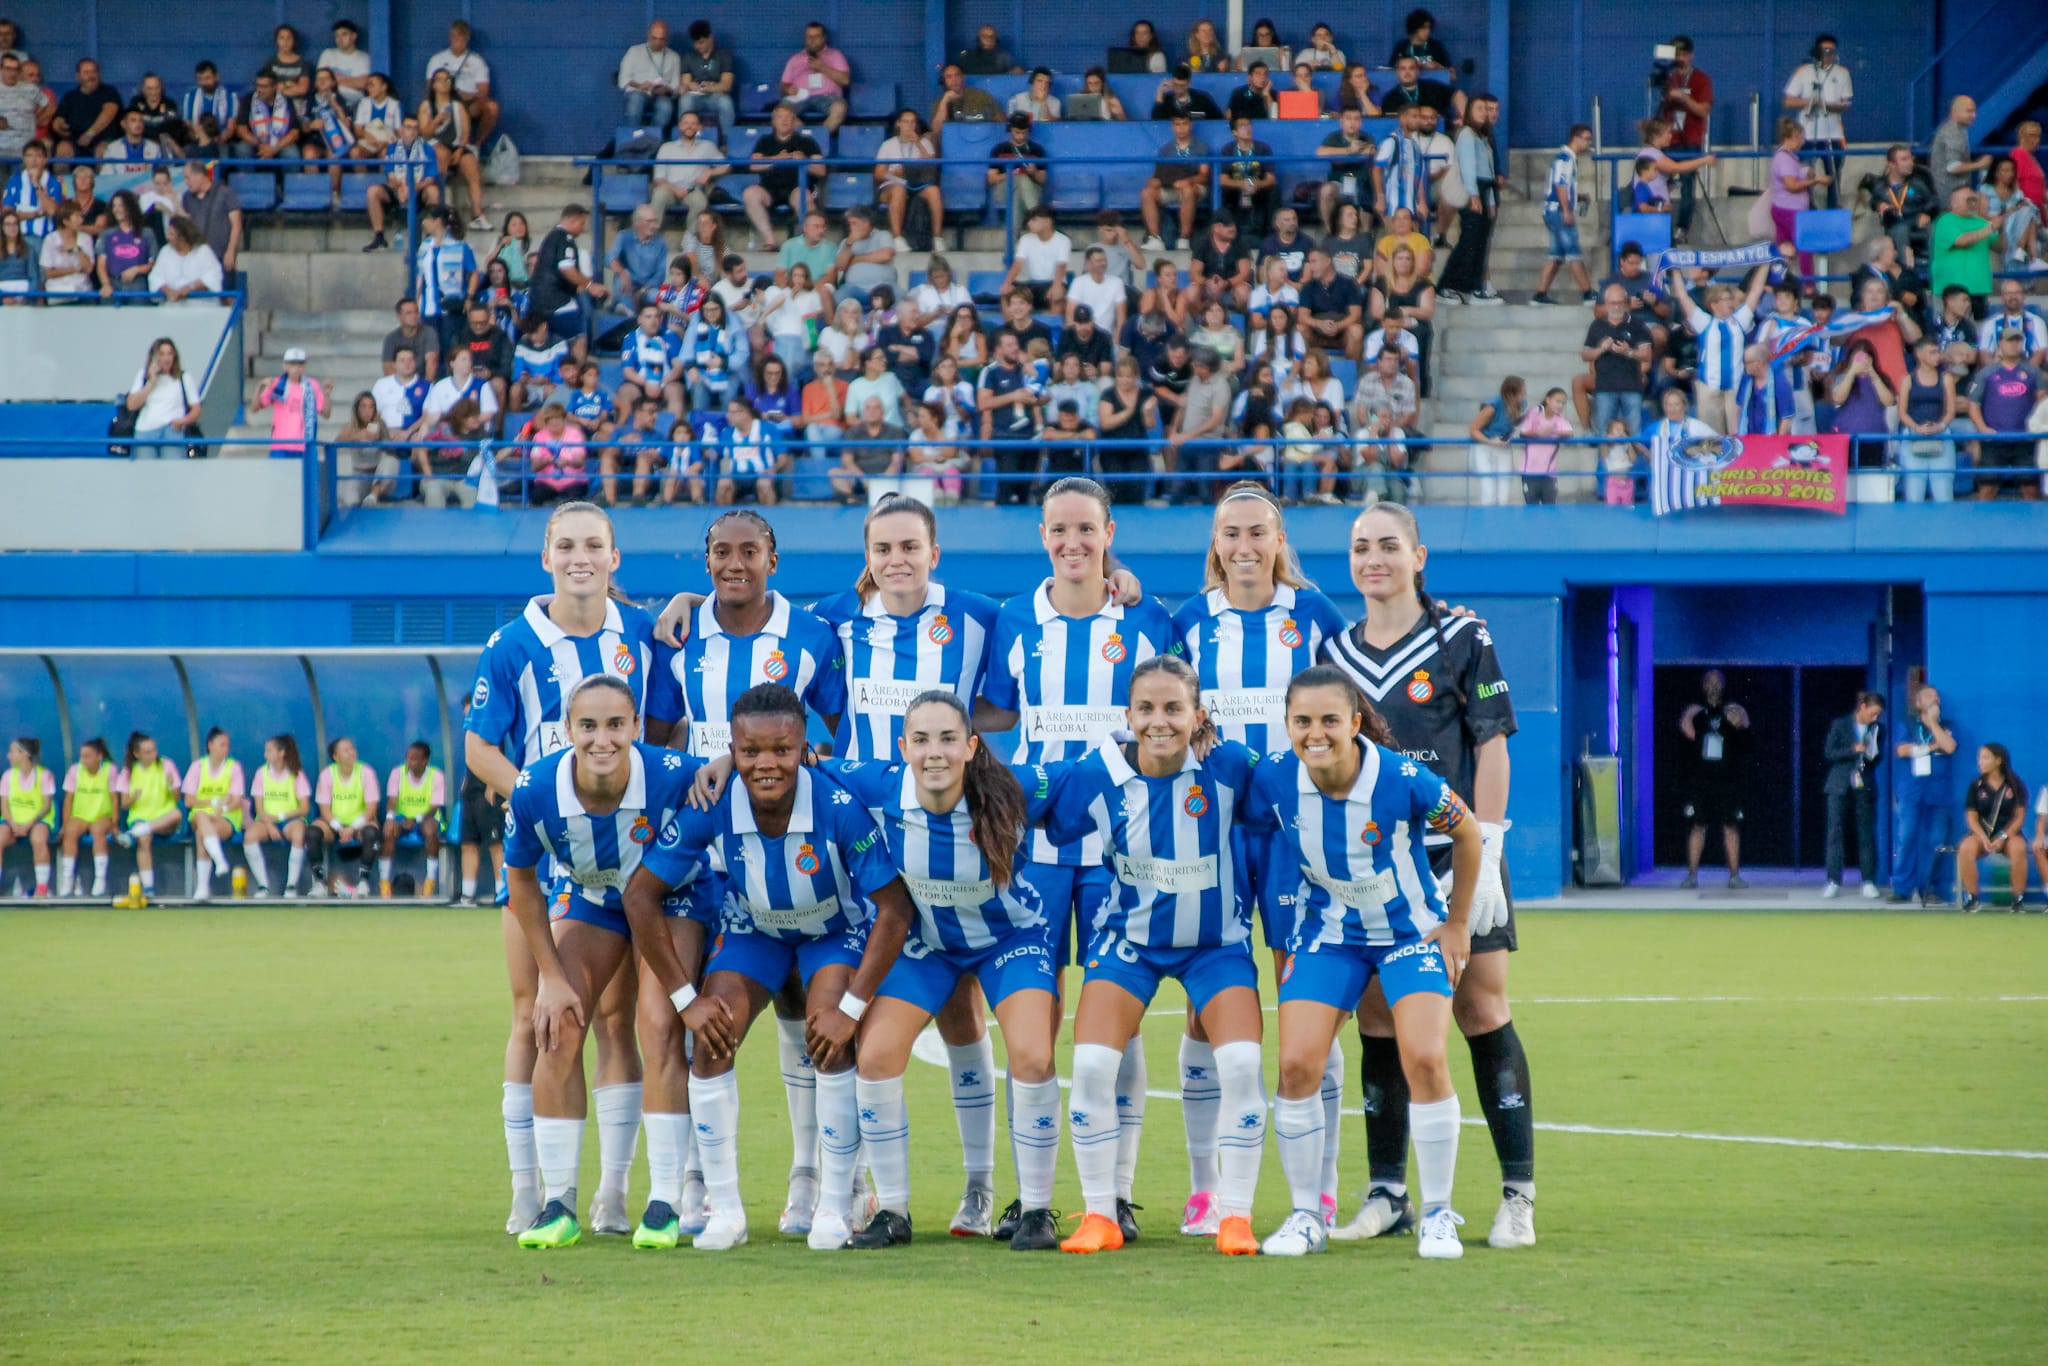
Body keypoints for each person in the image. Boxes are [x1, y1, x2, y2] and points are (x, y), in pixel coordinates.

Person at [624, 682, 916, 1251]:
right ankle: (725, 1211)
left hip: (831, 932)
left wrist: (853, 1008)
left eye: (781, 750)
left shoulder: (836, 805)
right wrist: (687, 999)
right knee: (711, 1037)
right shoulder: (712, 802)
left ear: (804, 744)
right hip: (754, 931)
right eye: (750, 751)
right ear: (731, 748)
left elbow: (895, 908)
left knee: (829, 1034)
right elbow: (640, 895)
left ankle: (835, 1204)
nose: (765, 764)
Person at [1321, 502, 1532, 1251]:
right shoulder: (1334, 652)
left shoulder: (1462, 637)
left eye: (1387, 545)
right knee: (1380, 1022)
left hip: (1457, 860)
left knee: (1481, 1010)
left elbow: (1494, 746)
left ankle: (1517, 1196)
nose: (1372, 558)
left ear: (1419, 555)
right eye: (1359, 547)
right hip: (1376, 873)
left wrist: (1493, 849)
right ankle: (1387, 1192)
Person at [975, 477, 1171, 1241]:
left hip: (1124, 850)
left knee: (1115, 1022)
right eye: (1059, 530)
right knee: (1037, 1023)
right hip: (1035, 850)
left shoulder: (1147, 617)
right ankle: (1032, 1200)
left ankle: (1114, 1192)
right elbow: (995, 709)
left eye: (1086, 529)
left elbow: (1184, 707)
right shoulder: (1016, 619)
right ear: (1042, 537)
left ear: (1109, 531)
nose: (1073, 543)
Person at [807, 692, 1065, 1248]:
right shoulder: (881, 786)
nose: (934, 753)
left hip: (1009, 939)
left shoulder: (1014, 788)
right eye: (920, 740)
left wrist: (1138, 747)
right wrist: (726, 760)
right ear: (902, 748)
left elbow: (1089, 775)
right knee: (875, 1056)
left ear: (972, 746)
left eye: (948, 739)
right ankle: (893, 1211)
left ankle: (1036, 1209)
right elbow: (808, 762)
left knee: (1034, 1054)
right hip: (929, 945)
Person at [464, 502, 659, 1238]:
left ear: (615, 557)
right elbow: (480, 747)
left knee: (619, 1021)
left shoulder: (640, 634)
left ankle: (612, 1192)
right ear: (547, 557)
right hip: (543, 861)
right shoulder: (513, 645)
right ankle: (530, 1189)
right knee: (536, 1014)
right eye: (567, 544)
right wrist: (539, 798)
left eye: (594, 545)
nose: (581, 557)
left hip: (628, 859)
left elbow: (663, 729)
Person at [1248, 664, 1481, 1258]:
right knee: (1297, 1065)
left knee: (1425, 1058)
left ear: (1355, 722)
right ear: (1287, 724)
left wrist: (1456, 925)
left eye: (1330, 720)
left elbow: (1469, 833)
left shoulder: (1402, 777)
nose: (1315, 733)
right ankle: (1305, 1216)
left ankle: (1437, 1213)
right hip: (1329, 934)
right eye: (1302, 721)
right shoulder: (1274, 777)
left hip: (1410, 934)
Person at [1167, 485, 1347, 1234]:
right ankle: (1205, 1184)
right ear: (1216, 542)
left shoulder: (1314, 616)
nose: (1244, 546)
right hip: (1209, 831)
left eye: (1258, 533)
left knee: (1306, 1002)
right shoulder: (1187, 622)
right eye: (1230, 534)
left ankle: (1326, 1181)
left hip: (1295, 834)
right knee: (1206, 1008)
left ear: (1279, 539)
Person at [500, 675, 722, 1250]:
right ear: (567, 730)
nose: (603, 739)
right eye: (589, 726)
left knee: (658, 1022)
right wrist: (550, 976)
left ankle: (665, 1201)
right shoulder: (534, 789)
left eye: (616, 725)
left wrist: (722, 761)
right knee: (558, 1024)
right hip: (595, 897)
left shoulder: (673, 775)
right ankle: (558, 1204)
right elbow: (521, 883)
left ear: (637, 728)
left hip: (673, 899)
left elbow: (742, 772)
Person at [1668, 264, 1771, 435]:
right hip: (1709, 386)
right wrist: (1675, 269)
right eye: (1725, 299)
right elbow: (1682, 296)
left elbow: (1755, 291)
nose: (1730, 303)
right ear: (1714, 304)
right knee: (1711, 437)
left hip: (1735, 387)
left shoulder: (1740, 320)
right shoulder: (1703, 322)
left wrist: (1765, 264)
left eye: (1730, 299)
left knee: (1737, 435)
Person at [1676, 669, 1752, 888]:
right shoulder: (1695, 713)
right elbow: (1687, 737)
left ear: (1724, 685)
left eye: (1717, 682)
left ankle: (1734, 876)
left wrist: (1737, 723)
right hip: (1702, 781)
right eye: (1709, 682)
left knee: (1731, 826)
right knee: (1698, 826)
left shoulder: (1734, 710)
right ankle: (1692, 876)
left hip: (1727, 780)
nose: (1713, 686)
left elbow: (1745, 740)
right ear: (1703, 686)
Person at [1439, 93, 1502, 304]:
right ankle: (1447, 285)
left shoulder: (1483, 137)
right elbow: (1468, 167)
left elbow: (1490, 170)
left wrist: (1491, 201)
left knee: (1480, 241)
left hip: (1485, 188)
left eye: (1486, 109)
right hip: (1474, 188)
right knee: (1469, 240)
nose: (1484, 113)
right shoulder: (1466, 134)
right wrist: (1474, 195)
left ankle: (1472, 287)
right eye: (1479, 109)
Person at [1822, 692, 1885, 899]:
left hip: (1863, 785)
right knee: (1835, 832)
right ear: (1862, 707)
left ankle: (1868, 880)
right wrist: (1853, 750)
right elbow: (1829, 753)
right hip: (1839, 785)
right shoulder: (1840, 724)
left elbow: (1877, 759)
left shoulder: (1877, 729)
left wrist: (1870, 754)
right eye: (1873, 713)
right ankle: (1833, 880)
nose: (1875, 718)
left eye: (1878, 715)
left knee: (1866, 833)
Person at [742, 103, 824, 251]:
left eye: (788, 118)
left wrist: (804, 162)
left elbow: (821, 170)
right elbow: (753, 165)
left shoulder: (807, 141)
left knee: (802, 196)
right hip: (770, 189)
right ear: (773, 121)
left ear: (794, 121)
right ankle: (770, 240)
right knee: (750, 193)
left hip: (797, 187)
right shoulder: (764, 140)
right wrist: (776, 159)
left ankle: (806, 243)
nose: (784, 121)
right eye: (780, 117)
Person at [110, 732, 182, 899]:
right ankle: (148, 887)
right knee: (144, 838)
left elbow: (177, 798)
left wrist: (172, 786)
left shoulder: (166, 765)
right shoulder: (129, 772)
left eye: (154, 750)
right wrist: (134, 796)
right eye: (148, 752)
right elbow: (125, 804)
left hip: (164, 819)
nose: (153, 754)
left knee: (177, 814)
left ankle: (133, 834)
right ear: (137, 754)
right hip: (140, 818)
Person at [1957, 744, 2028, 912]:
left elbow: (2019, 817)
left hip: (2008, 834)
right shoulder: (1976, 786)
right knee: (1966, 847)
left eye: (1985, 757)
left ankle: (2018, 899)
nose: (1980, 762)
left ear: (1998, 760)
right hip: (1982, 834)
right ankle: (1973, 898)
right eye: (1979, 758)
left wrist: (2003, 837)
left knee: (2019, 847)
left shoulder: (2015, 785)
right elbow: (1972, 818)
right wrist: (1982, 837)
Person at [1783, 35, 1850, 207]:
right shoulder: (1804, 71)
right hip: (1807, 134)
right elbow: (1789, 101)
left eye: (1831, 51)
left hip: (1833, 133)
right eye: (1824, 50)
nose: (1828, 54)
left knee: (1833, 177)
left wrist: (1828, 105)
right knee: (1805, 174)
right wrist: (1812, 102)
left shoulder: (1842, 73)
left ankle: (1833, 210)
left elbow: (1845, 103)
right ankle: (1807, 209)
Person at [1657, 37, 1713, 243]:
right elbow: (1662, 109)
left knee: (1688, 185)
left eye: (1682, 54)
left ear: (1690, 55)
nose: (1679, 59)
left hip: (1690, 139)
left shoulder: (1701, 79)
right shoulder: (1669, 78)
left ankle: (1681, 228)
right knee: (1662, 185)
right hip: (1669, 140)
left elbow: (1703, 109)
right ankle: (1661, 227)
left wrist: (1683, 97)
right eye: (1676, 54)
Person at [1531, 125, 1594, 306]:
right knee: (1573, 252)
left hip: (1554, 210)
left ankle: (1540, 294)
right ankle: (1587, 293)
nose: (1588, 143)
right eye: (1587, 139)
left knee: (1555, 254)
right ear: (1576, 138)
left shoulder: (1567, 159)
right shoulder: (1565, 159)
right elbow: (1560, 185)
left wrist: (1578, 197)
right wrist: (1566, 210)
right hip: (1558, 211)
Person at [309, 737, 379, 898]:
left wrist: (352, 828)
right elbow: (325, 809)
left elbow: (371, 808)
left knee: (371, 832)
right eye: (346, 750)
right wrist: (340, 828)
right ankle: (319, 882)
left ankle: (363, 882)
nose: (351, 752)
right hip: (335, 824)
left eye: (352, 749)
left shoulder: (366, 772)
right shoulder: (327, 774)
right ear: (335, 756)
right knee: (312, 832)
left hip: (358, 823)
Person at [244, 734, 312, 897]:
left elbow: (304, 808)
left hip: (290, 820)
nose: (265, 754)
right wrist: (269, 825)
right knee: (250, 836)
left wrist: (280, 817)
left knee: (298, 833)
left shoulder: (296, 774)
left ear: (281, 753)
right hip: (266, 821)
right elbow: (259, 809)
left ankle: (291, 885)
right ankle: (263, 886)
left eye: (269, 750)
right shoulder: (261, 773)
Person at [363, 115, 442, 253]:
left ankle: (431, 236)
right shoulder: (392, 148)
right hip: (398, 189)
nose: (411, 131)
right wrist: (401, 187)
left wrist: (413, 187)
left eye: (415, 128)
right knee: (373, 191)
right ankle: (379, 236)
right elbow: (391, 176)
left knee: (433, 191)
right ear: (401, 130)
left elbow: (430, 178)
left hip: (419, 190)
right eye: (408, 127)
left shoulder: (427, 149)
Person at [455, 696, 507, 906]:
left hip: (488, 794)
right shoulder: (469, 734)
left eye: (470, 710)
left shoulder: (490, 729)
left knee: (495, 843)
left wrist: (493, 785)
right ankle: (468, 895)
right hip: (470, 794)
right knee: (468, 843)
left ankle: (502, 893)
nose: (467, 715)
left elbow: (497, 757)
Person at [378, 741, 446, 898]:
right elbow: (392, 801)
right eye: (408, 758)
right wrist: (390, 818)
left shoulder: (437, 776)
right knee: (389, 830)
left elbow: (435, 806)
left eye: (414, 759)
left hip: (427, 818)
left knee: (431, 831)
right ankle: (384, 883)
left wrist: (416, 819)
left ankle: (429, 882)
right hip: (402, 819)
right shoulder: (397, 773)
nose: (409, 762)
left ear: (425, 761)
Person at [54, 737, 118, 899]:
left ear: (99, 756)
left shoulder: (110, 770)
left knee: (98, 831)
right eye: (82, 756)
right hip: (80, 816)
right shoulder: (75, 771)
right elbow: (68, 800)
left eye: (87, 756)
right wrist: (65, 823)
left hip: (102, 815)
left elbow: (114, 798)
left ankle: (100, 879)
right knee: (70, 832)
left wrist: (115, 823)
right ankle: (67, 880)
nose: (83, 760)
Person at [1767, 118, 1829, 277]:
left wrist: (1805, 173)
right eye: (1799, 138)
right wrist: (1816, 180)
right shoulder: (1784, 159)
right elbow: (1791, 185)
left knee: (1783, 246)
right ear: (1788, 138)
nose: (1802, 142)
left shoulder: (1787, 158)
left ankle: (1778, 278)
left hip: (1784, 208)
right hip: (1790, 211)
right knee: (1804, 246)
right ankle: (1808, 284)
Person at [874, 108, 941, 254]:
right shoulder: (888, 144)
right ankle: (897, 238)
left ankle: (937, 238)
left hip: (917, 183)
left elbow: (931, 166)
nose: (909, 126)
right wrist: (893, 172)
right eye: (906, 122)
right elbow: (878, 174)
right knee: (899, 189)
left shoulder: (924, 143)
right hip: (893, 184)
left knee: (934, 191)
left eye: (913, 122)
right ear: (899, 124)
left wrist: (918, 143)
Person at [424, 20, 498, 150]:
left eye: (462, 39)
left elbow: (483, 91)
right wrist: (452, 94)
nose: (458, 42)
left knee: (492, 107)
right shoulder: (437, 59)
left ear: (467, 39)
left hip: (469, 103)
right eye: (455, 38)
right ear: (450, 37)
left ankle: (477, 145)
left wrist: (466, 96)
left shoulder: (476, 61)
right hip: (445, 102)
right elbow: (431, 87)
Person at [1140, 113, 1209, 251]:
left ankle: (1184, 238)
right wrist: (1154, 182)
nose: (1181, 128)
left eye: (1184, 124)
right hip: (1171, 188)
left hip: (1195, 187)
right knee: (1147, 193)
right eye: (1177, 124)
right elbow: (1158, 175)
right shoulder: (1165, 150)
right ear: (1172, 127)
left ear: (1191, 125)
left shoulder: (1201, 147)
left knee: (1187, 190)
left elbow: (1204, 176)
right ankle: (1155, 239)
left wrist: (1188, 181)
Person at [124, 337, 202, 457]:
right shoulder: (143, 375)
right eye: (162, 354)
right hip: (146, 431)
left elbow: (196, 409)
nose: (166, 358)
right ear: (154, 357)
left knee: (173, 471)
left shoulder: (183, 377)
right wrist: (151, 382)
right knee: (146, 471)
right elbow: (131, 405)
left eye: (170, 354)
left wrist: (182, 421)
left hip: (172, 431)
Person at [1, 737, 55, 896]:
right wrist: (13, 824)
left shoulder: (44, 775)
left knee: (39, 839)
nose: (8, 756)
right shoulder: (8, 776)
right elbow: (4, 806)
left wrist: (28, 825)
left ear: (24, 754)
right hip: (12, 822)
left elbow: (46, 806)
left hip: (37, 821)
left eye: (12, 752)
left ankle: (42, 887)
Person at [779, 21, 850, 134]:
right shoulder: (795, 59)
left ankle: (820, 137)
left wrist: (822, 67)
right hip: (800, 96)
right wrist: (787, 89)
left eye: (816, 36)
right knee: (780, 110)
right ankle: (805, 138)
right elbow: (783, 85)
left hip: (828, 97)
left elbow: (845, 80)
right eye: (809, 37)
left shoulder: (835, 55)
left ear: (824, 38)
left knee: (841, 108)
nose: (812, 40)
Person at [676, 20, 738, 142]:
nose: (697, 47)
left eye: (701, 43)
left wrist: (707, 88)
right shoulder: (689, 57)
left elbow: (726, 85)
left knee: (726, 102)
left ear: (710, 38)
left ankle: (727, 141)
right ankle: (683, 140)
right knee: (685, 101)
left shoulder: (723, 55)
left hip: (715, 97)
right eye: (695, 43)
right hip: (695, 97)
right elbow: (686, 82)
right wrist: (688, 86)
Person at [618, 20, 681, 130]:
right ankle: (634, 137)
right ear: (648, 35)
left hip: (661, 95)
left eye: (661, 39)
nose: (657, 42)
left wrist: (667, 89)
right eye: (654, 38)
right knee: (636, 101)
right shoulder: (634, 51)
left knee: (666, 107)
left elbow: (675, 84)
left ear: (667, 39)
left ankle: (653, 139)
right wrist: (639, 86)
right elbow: (623, 79)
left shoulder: (673, 57)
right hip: (638, 91)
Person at [1930, 96, 1990, 209]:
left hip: (1951, 195)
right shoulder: (1953, 132)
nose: (1974, 115)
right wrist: (1980, 164)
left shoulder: (1956, 130)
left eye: (1974, 111)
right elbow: (1952, 167)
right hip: (1951, 196)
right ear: (1955, 111)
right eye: (1969, 111)